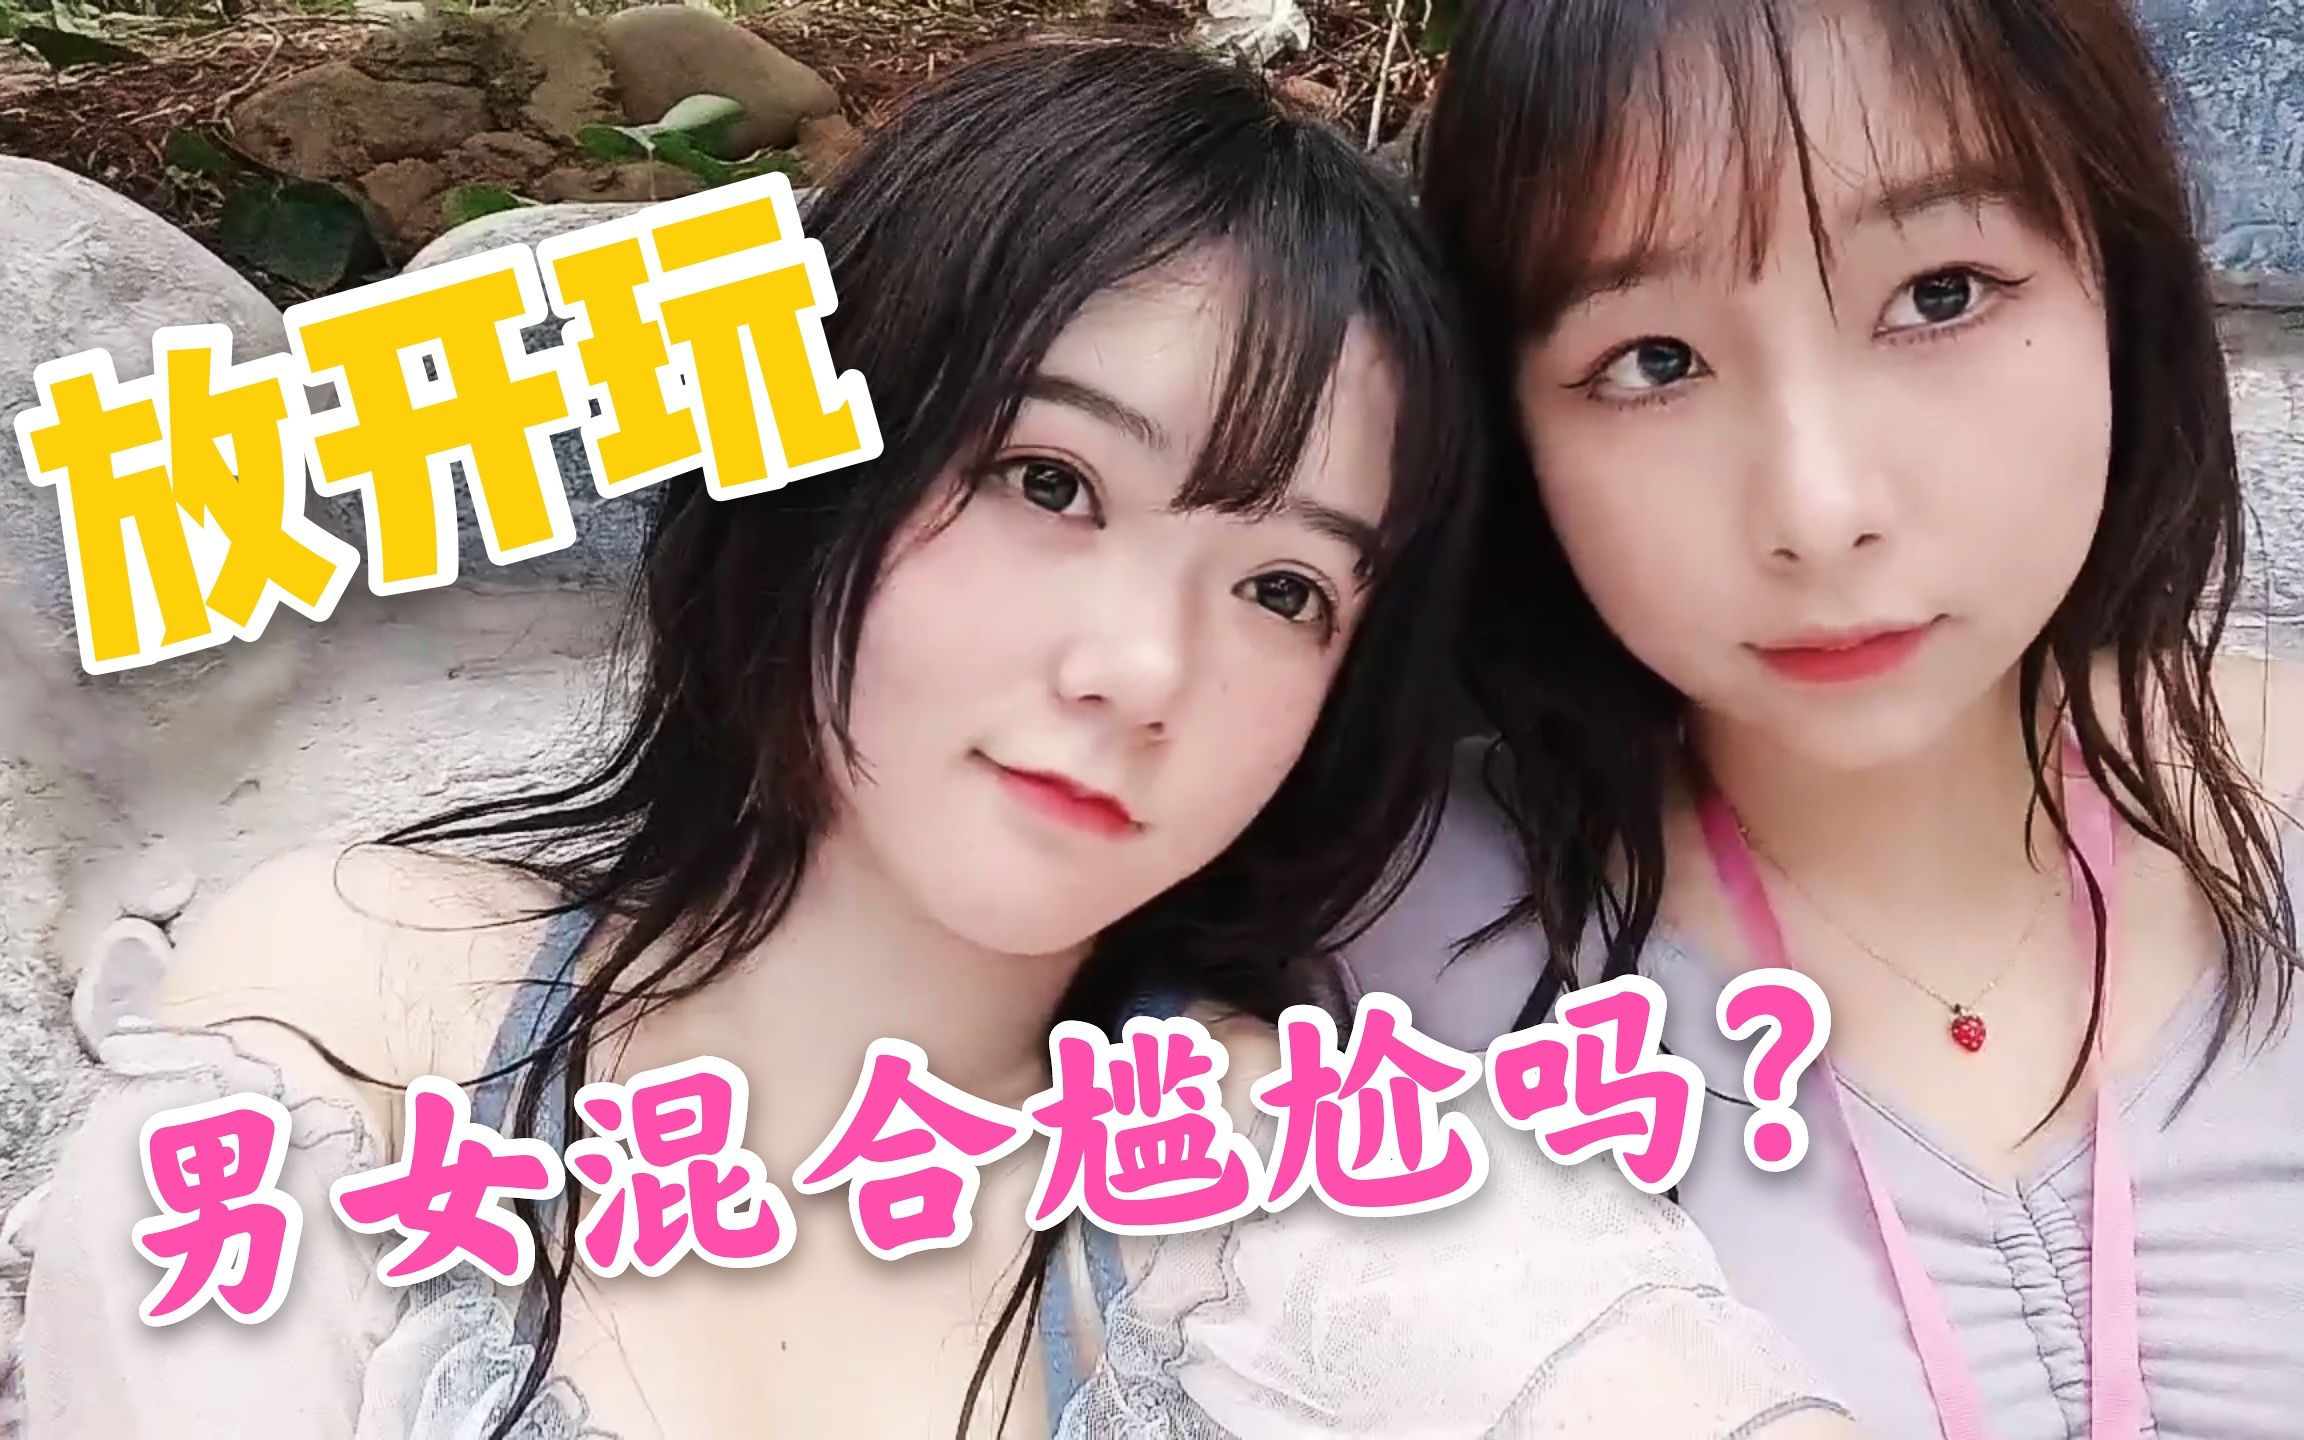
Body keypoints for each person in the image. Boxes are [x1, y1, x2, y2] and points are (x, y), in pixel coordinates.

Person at [8, 38, 1857, 1440]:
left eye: (1284, 588)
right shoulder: (357, 1035)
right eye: (1050, 481)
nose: (1141, 670)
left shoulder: (1291, 1194)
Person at [1345, 2, 2304, 1437]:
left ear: (2119, 277)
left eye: (1940, 294)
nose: (1819, 508)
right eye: (1654, 361)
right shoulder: (1393, 985)